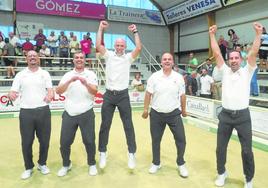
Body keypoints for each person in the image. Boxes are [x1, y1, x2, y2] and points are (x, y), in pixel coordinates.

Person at [209, 22, 263, 188]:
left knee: (247, 151)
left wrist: (258, 34)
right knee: (220, 149)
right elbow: (217, 53)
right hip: (225, 116)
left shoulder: (248, 70)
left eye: (236, 58)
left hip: (243, 117)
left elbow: (253, 52)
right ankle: (221, 173)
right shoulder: (224, 70)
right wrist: (211, 34)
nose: (233, 60)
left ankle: (248, 179)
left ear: (241, 59)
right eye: (231, 58)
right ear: (228, 60)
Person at [96, 20, 142, 170]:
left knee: (128, 125)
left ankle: (132, 154)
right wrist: (100, 29)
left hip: (123, 96)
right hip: (109, 95)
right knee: (105, 125)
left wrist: (135, 32)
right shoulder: (108, 55)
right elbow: (98, 46)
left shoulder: (128, 58)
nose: (120, 47)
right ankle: (102, 152)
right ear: (114, 46)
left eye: (122, 45)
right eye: (118, 45)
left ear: (125, 47)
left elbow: (139, 48)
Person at [8, 50, 54, 180]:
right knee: (27, 142)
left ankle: (42, 164)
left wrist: (50, 95)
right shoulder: (20, 75)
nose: (32, 57)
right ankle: (28, 167)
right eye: (30, 56)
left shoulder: (44, 73)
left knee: (44, 141)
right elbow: (12, 92)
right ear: (26, 59)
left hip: (43, 111)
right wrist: (11, 95)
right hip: (26, 112)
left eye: (35, 56)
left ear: (38, 58)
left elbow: (50, 90)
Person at [142, 53, 188, 177]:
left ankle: (181, 163)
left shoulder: (178, 77)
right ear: (161, 62)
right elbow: (148, 94)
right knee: (156, 140)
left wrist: (184, 110)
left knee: (181, 140)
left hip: (174, 114)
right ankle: (156, 163)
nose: (167, 61)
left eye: (169, 59)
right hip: (156, 114)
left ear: (173, 62)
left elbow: (182, 95)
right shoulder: (154, 77)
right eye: (164, 59)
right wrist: (146, 109)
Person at [56, 51, 98, 177]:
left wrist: (85, 83)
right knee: (64, 142)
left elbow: (95, 91)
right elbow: (58, 91)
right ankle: (66, 164)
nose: (79, 59)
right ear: (73, 60)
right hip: (69, 113)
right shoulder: (68, 75)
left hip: (86, 112)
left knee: (89, 141)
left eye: (81, 58)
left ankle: (92, 164)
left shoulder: (90, 74)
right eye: (77, 58)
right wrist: (69, 81)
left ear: (85, 60)